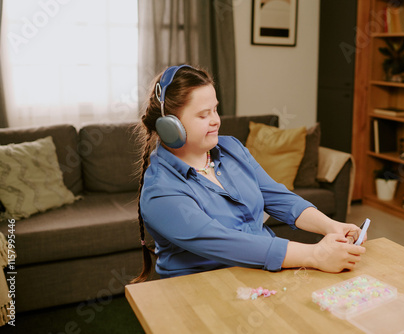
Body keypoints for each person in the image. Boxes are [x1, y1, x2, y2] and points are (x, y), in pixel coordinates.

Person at [131, 65, 366, 283]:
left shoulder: (231, 148)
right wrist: (314, 254)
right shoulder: (160, 192)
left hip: (262, 274)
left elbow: (278, 197)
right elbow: (228, 243)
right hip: (205, 287)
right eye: (203, 115)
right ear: (169, 126)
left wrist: (331, 226)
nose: (216, 120)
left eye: (215, 109)